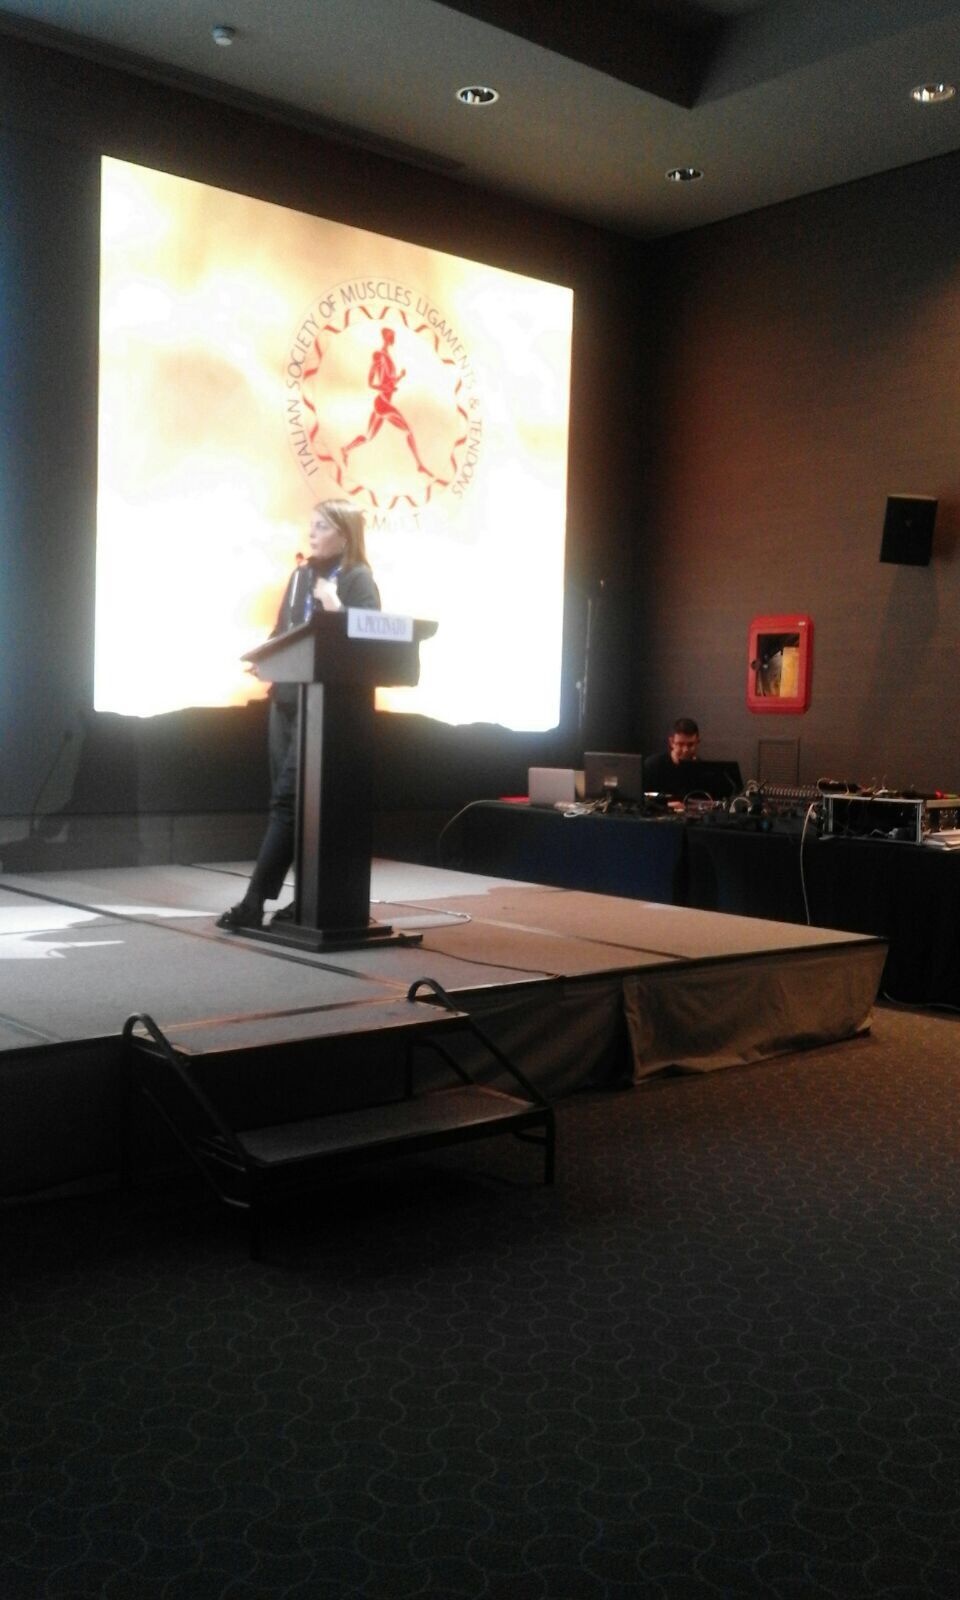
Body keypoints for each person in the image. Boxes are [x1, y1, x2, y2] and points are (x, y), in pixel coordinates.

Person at [216, 499, 380, 931]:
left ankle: (254, 902)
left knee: (290, 804)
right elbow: (282, 632)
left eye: (322, 526)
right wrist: (264, 658)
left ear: (344, 534)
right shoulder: (300, 577)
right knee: (291, 805)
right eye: (311, 525)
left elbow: (369, 640)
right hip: (287, 701)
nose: (312, 533)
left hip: (327, 710)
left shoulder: (358, 579)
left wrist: (335, 607)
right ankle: (305, 902)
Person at [642, 718, 700, 795]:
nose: (685, 750)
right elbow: (644, 796)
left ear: (697, 742)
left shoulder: (702, 770)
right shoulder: (653, 765)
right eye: (680, 744)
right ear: (671, 742)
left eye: (690, 745)